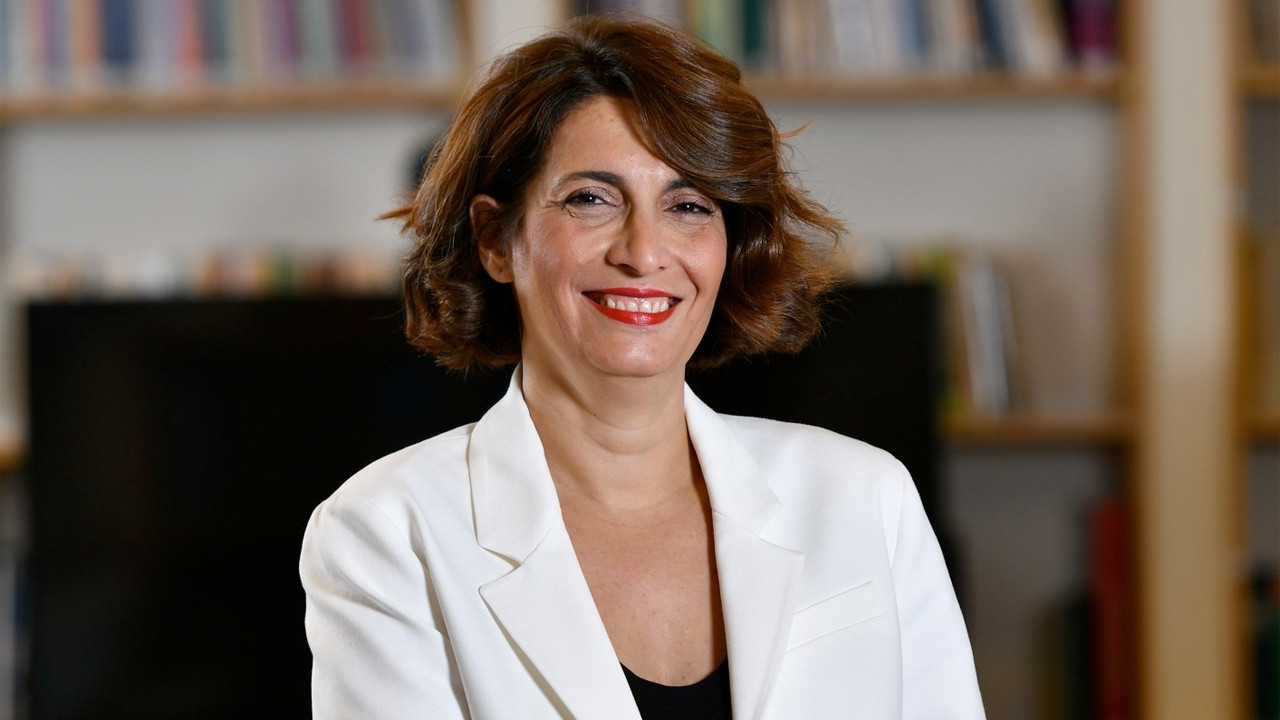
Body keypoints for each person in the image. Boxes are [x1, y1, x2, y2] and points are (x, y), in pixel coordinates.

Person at [300, 13, 984, 720]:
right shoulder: (386, 533)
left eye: (688, 205)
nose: (644, 252)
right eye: (591, 199)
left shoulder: (866, 496)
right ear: (496, 240)